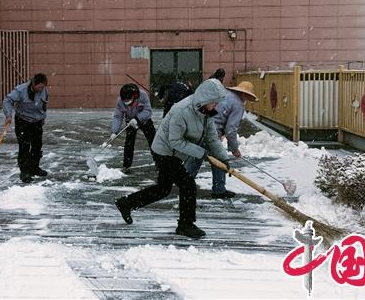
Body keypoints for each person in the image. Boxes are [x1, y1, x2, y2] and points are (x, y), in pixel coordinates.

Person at [114, 78, 233, 239]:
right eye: (215, 102)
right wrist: (201, 153)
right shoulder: (182, 111)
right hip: (165, 151)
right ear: (206, 99)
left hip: (176, 152)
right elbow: (175, 141)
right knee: (188, 185)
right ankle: (185, 224)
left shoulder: (205, 112)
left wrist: (224, 159)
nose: (216, 106)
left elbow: (212, 139)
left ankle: (127, 203)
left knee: (163, 189)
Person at [185, 81, 259, 198]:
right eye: (248, 97)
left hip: (200, 125)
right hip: (211, 132)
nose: (247, 100)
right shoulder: (238, 104)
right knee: (219, 159)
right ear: (244, 94)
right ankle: (218, 189)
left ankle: (184, 180)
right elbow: (231, 129)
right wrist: (234, 148)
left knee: (198, 155)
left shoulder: (225, 94)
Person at [2, 73, 49, 183]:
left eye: (43, 87)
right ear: (33, 84)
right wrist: (8, 115)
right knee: (24, 146)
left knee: (37, 146)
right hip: (23, 121)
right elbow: (7, 101)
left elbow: (43, 106)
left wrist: (42, 118)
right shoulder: (20, 90)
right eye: (40, 87)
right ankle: (24, 171)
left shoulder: (44, 91)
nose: (41, 89)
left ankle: (34, 168)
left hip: (37, 122)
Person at [110, 83, 157, 172]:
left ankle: (159, 162)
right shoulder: (121, 101)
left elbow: (148, 111)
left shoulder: (142, 95)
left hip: (144, 120)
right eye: (125, 100)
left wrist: (137, 119)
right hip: (130, 122)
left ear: (134, 96)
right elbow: (118, 116)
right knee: (129, 143)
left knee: (153, 141)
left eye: (128, 100)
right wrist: (114, 132)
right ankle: (126, 166)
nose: (126, 102)